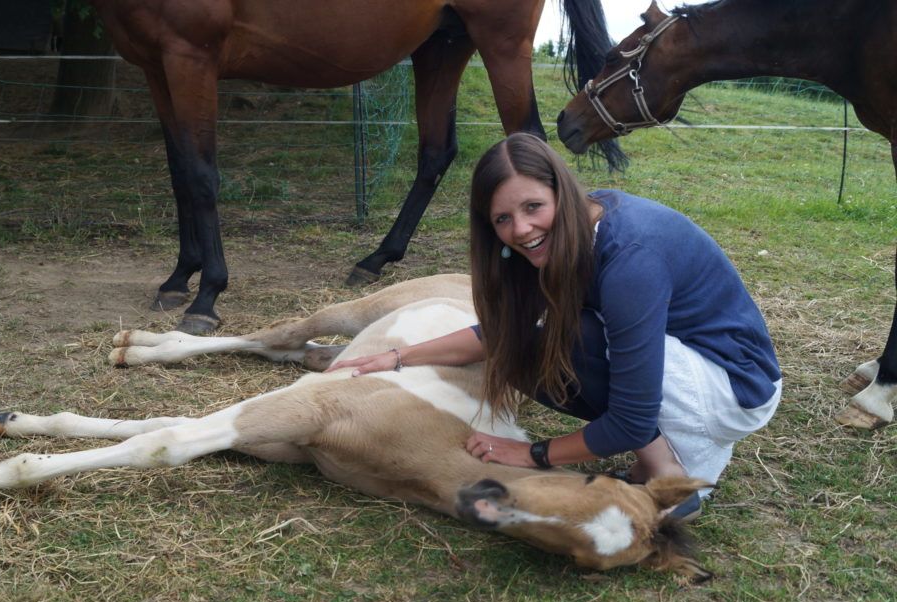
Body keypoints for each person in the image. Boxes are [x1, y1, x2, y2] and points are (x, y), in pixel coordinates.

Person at [330, 133, 781, 521]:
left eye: (533, 207)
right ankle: (657, 463)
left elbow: (630, 420)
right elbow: (500, 337)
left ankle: (670, 480)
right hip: (682, 366)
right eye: (502, 219)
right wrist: (396, 358)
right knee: (524, 350)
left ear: (562, 192)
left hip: (735, 385)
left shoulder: (629, 259)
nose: (521, 229)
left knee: (573, 336)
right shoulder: (570, 231)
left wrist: (532, 454)